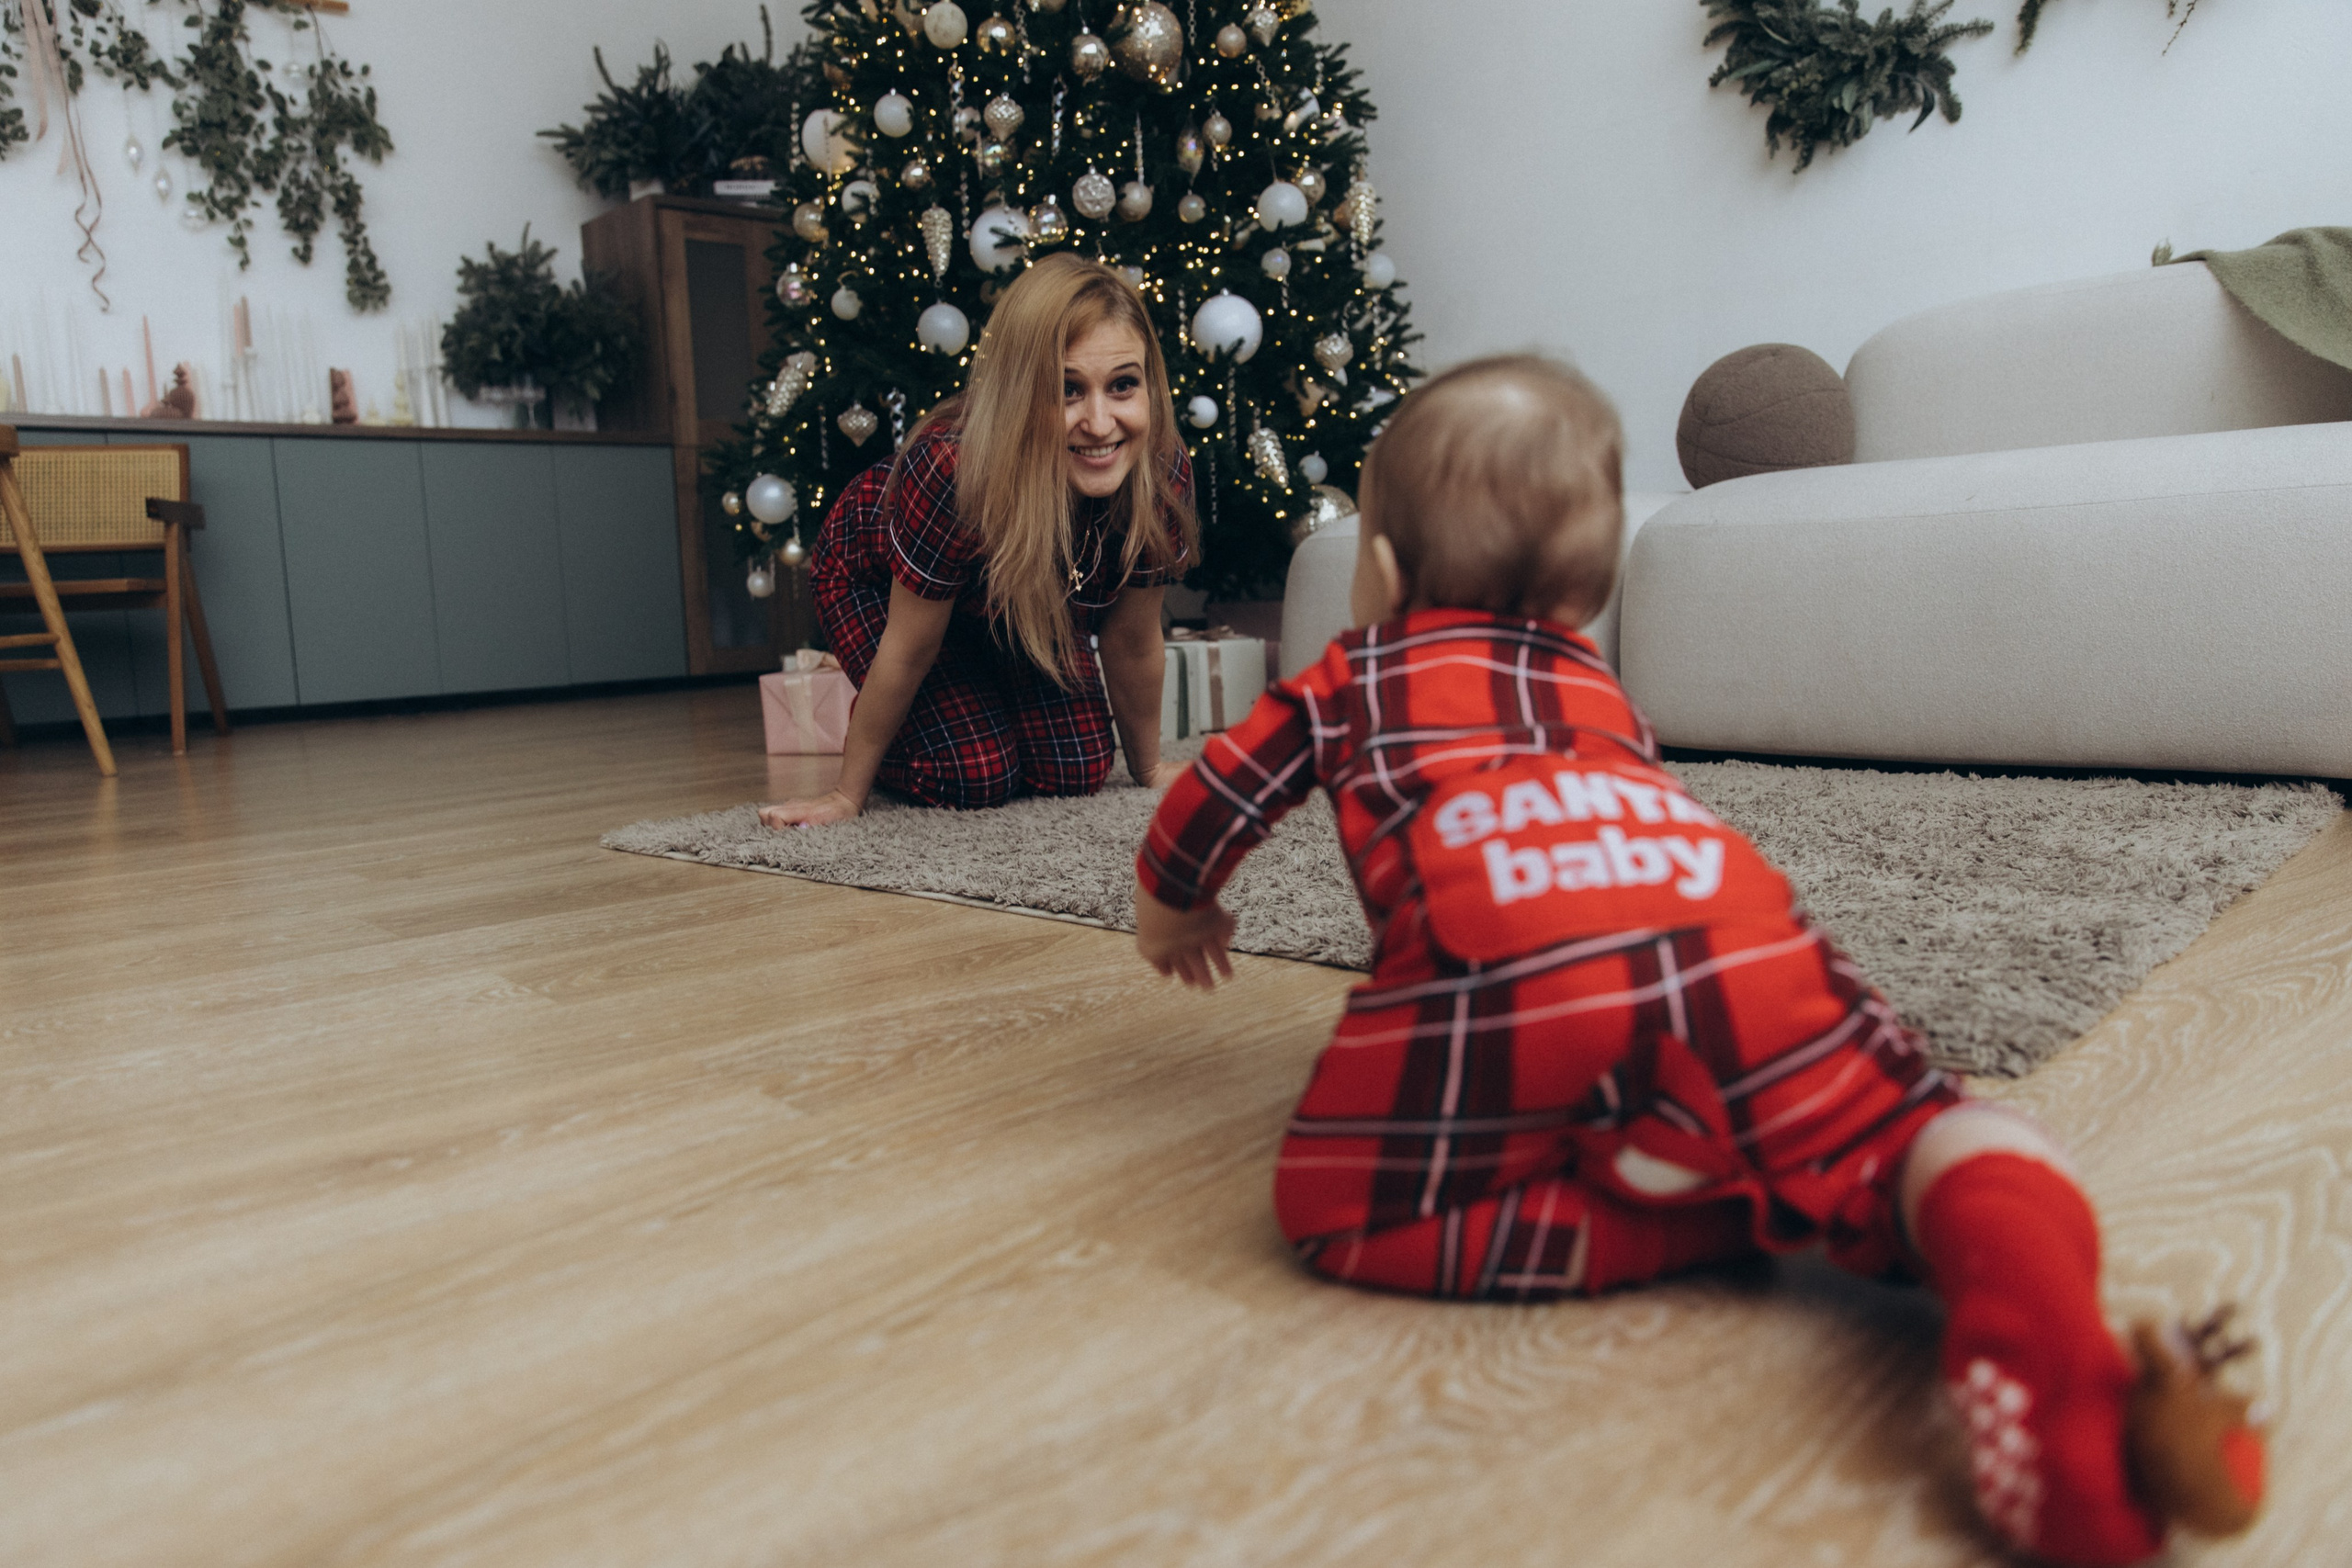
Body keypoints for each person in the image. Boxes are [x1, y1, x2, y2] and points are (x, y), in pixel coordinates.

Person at [1131, 355, 2267, 1567]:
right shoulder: (1599, 688)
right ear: (1582, 595)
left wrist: (1174, 906)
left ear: (1389, 574)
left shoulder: (1348, 676)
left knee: (1336, 1203)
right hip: (1740, 942)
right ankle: (2042, 1312)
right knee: (1915, 1121)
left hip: (1510, 974)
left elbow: (1211, 792)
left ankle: (1685, 1222)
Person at [760, 254, 1196, 826]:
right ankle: (915, 741)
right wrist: (846, 796)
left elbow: (1132, 639)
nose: (1098, 422)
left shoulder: (1158, 471)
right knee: (974, 772)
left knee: (1076, 769)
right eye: (1066, 390)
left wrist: (1149, 770)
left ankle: (978, 699)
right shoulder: (952, 470)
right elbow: (911, 646)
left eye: (1122, 386)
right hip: (873, 582)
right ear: (1019, 391)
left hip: (1012, 603)